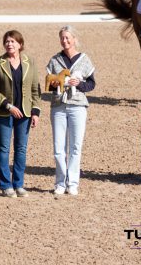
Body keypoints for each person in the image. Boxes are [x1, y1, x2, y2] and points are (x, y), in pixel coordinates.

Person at [46, 26, 96, 196]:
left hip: (78, 106)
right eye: (62, 38)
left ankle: (72, 182)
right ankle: (60, 182)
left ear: (74, 39)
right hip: (58, 106)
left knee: (75, 146)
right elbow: (49, 83)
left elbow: (91, 84)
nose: (65, 41)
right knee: (58, 147)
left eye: (68, 38)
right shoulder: (54, 60)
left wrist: (79, 84)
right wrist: (54, 85)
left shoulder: (84, 59)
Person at [0, 30, 41, 198]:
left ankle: (18, 183)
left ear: (20, 44)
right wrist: (8, 105)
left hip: (25, 113)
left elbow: (35, 88)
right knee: (4, 148)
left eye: (13, 41)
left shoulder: (30, 61)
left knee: (21, 149)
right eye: (7, 41)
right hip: (4, 112)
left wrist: (35, 112)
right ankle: (5, 185)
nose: (9, 44)